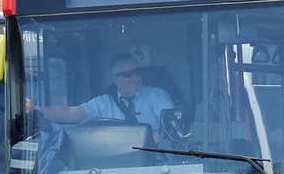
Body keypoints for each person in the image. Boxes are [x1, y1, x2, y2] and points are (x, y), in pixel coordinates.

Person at [27, 53, 175, 143]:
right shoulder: (104, 103)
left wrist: (143, 141)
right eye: (128, 74)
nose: (135, 77)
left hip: (154, 161)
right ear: (115, 79)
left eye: (137, 72)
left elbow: (171, 130)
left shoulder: (157, 96)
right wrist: (37, 109)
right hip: (114, 164)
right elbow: (70, 113)